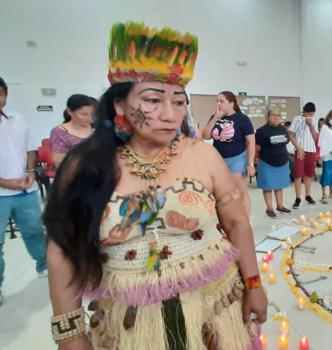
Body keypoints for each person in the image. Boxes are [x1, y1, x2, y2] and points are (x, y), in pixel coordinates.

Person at [42, 23, 266, 349]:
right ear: (119, 106)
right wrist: (71, 335)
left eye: (179, 102)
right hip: (131, 327)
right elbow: (61, 251)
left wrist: (254, 284)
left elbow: (235, 222)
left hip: (216, 312)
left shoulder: (202, 155)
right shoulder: (84, 165)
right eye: (152, 100)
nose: (170, 114)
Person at [0, 76, 48, 306]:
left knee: (34, 231)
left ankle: (44, 265)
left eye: (0, 93)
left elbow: (30, 149)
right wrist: (5, 183)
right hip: (1, 194)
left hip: (26, 191)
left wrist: (30, 171)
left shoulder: (18, 119)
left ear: (5, 95)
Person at [202, 91, 256, 217]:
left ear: (231, 103)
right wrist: (215, 118)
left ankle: (246, 220)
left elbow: (251, 142)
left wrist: (251, 163)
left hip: (237, 159)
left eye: (222, 101)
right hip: (218, 160)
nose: (218, 103)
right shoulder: (215, 116)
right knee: (221, 193)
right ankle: (225, 219)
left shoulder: (242, 119)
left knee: (241, 192)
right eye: (217, 101)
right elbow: (206, 136)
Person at [255, 109, 292, 218]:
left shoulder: (283, 129)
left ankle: (280, 206)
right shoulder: (262, 131)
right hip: (267, 162)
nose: (276, 117)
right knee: (268, 186)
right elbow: (256, 147)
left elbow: (286, 142)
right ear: (268, 117)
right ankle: (269, 208)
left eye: (278, 115)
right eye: (273, 115)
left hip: (282, 161)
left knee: (279, 185)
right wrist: (255, 160)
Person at [288, 102, 319, 208]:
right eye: (307, 113)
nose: (309, 115)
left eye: (311, 113)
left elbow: (315, 137)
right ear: (304, 111)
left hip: (312, 150)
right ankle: (297, 198)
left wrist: (310, 125)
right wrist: (298, 148)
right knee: (298, 175)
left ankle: (308, 195)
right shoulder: (297, 119)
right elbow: (291, 134)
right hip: (300, 150)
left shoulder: (314, 120)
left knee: (309, 174)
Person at [50, 94, 94, 166]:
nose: (90, 119)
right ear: (70, 112)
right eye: (84, 114)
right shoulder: (59, 132)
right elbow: (59, 162)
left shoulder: (94, 128)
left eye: (91, 114)